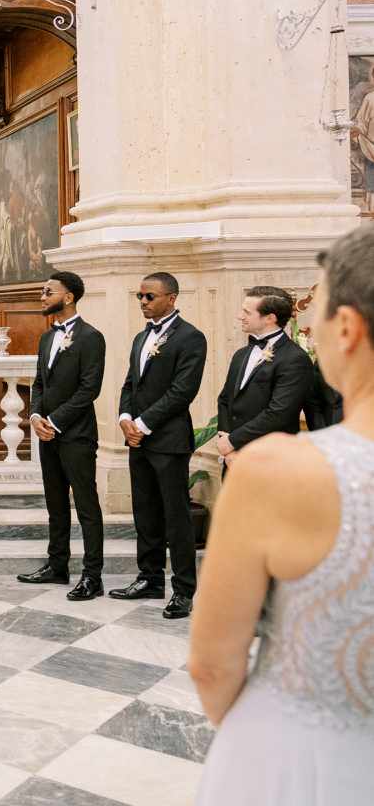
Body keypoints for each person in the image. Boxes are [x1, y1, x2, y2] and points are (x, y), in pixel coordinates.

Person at [192, 223, 374, 803]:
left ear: (346, 328)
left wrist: (259, 742)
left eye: (314, 306)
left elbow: (212, 664)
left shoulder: (280, 472)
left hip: (302, 762)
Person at [114, 272, 206, 619]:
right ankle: (149, 577)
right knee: (145, 511)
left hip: (167, 440)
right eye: (139, 296)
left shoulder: (191, 338)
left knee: (176, 516)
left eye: (149, 296)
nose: (143, 302)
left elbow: (183, 391)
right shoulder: (141, 337)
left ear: (171, 298)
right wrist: (125, 416)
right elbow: (130, 383)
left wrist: (142, 423)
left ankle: (183, 590)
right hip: (137, 439)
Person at [18, 273, 106, 600]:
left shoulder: (91, 337)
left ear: (68, 297)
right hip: (47, 434)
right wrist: (36, 415)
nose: (42, 297)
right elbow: (39, 382)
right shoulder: (46, 338)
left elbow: (89, 390)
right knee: (55, 503)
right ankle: (57, 565)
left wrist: (54, 420)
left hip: (77, 435)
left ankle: (92, 576)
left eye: (48, 292)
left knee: (86, 505)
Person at [214, 286, 314, 479]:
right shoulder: (241, 354)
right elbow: (225, 399)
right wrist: (227, 447)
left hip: (271, 460)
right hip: (233, 460)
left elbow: (279, 413)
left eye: (247, 312)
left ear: (270, 318)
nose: (239, 316)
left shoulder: (295, 358)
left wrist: (233, 441)